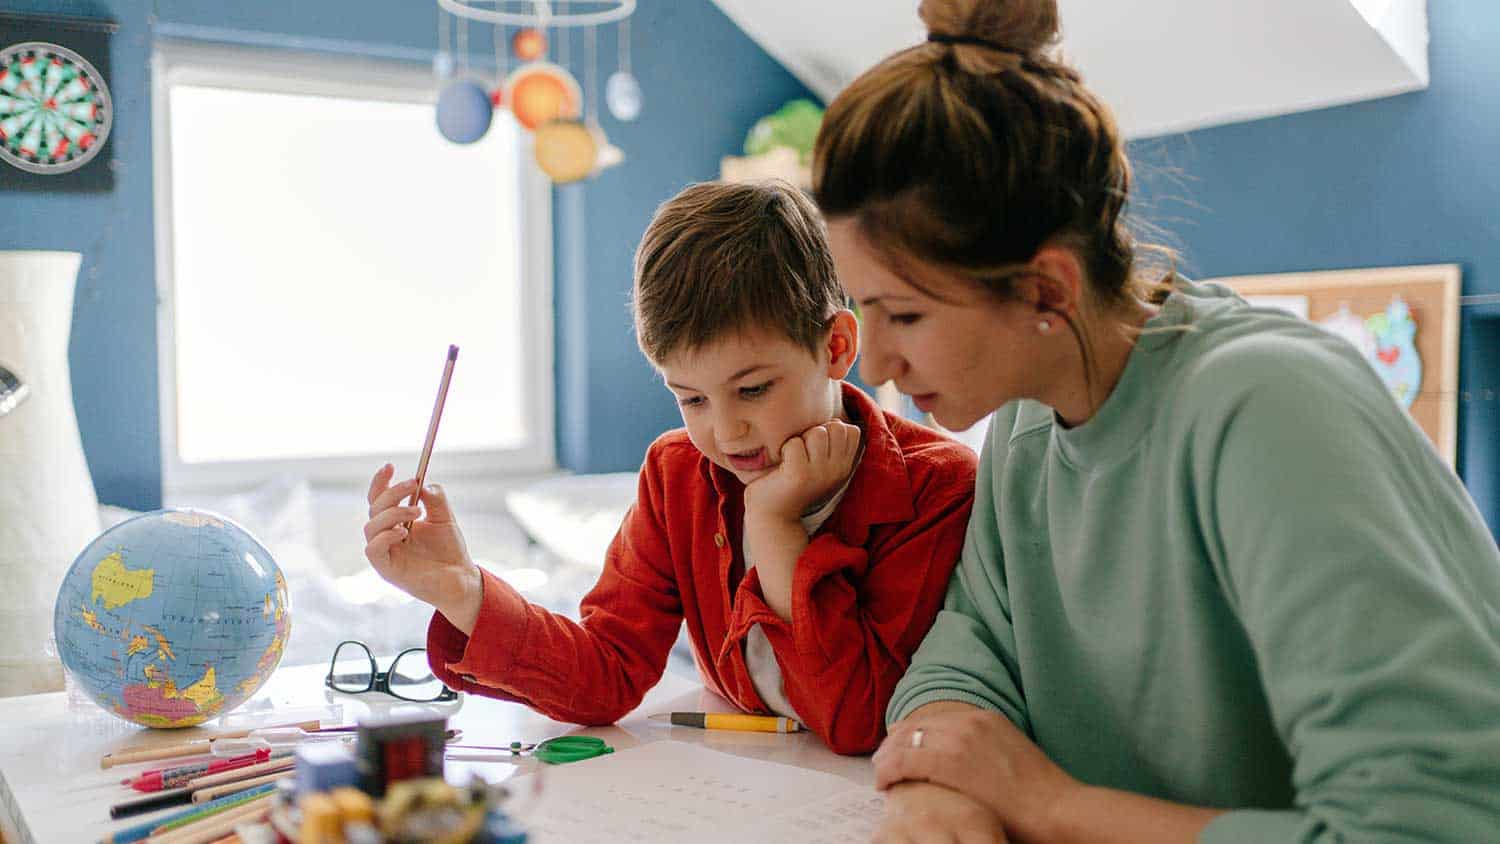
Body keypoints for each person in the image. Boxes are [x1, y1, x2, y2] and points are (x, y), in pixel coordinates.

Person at [812, 0, 1500, 839]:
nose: (873, 362)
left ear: (1046, 290)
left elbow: (1433, 825)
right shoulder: (1028, 426)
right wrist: (936, 786)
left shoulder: (1268, 413)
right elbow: (967, 651)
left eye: (904, 315)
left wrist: (1045, 805)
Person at [361, 180, 977, 755]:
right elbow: (608, 673)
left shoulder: (938, 486)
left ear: (836, 346)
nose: (727, 432)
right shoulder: (677, 472)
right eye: (691, 399)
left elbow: (858, 721)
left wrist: (776, 528)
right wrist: (461, 591)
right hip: (737, 783)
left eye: (755, 389)